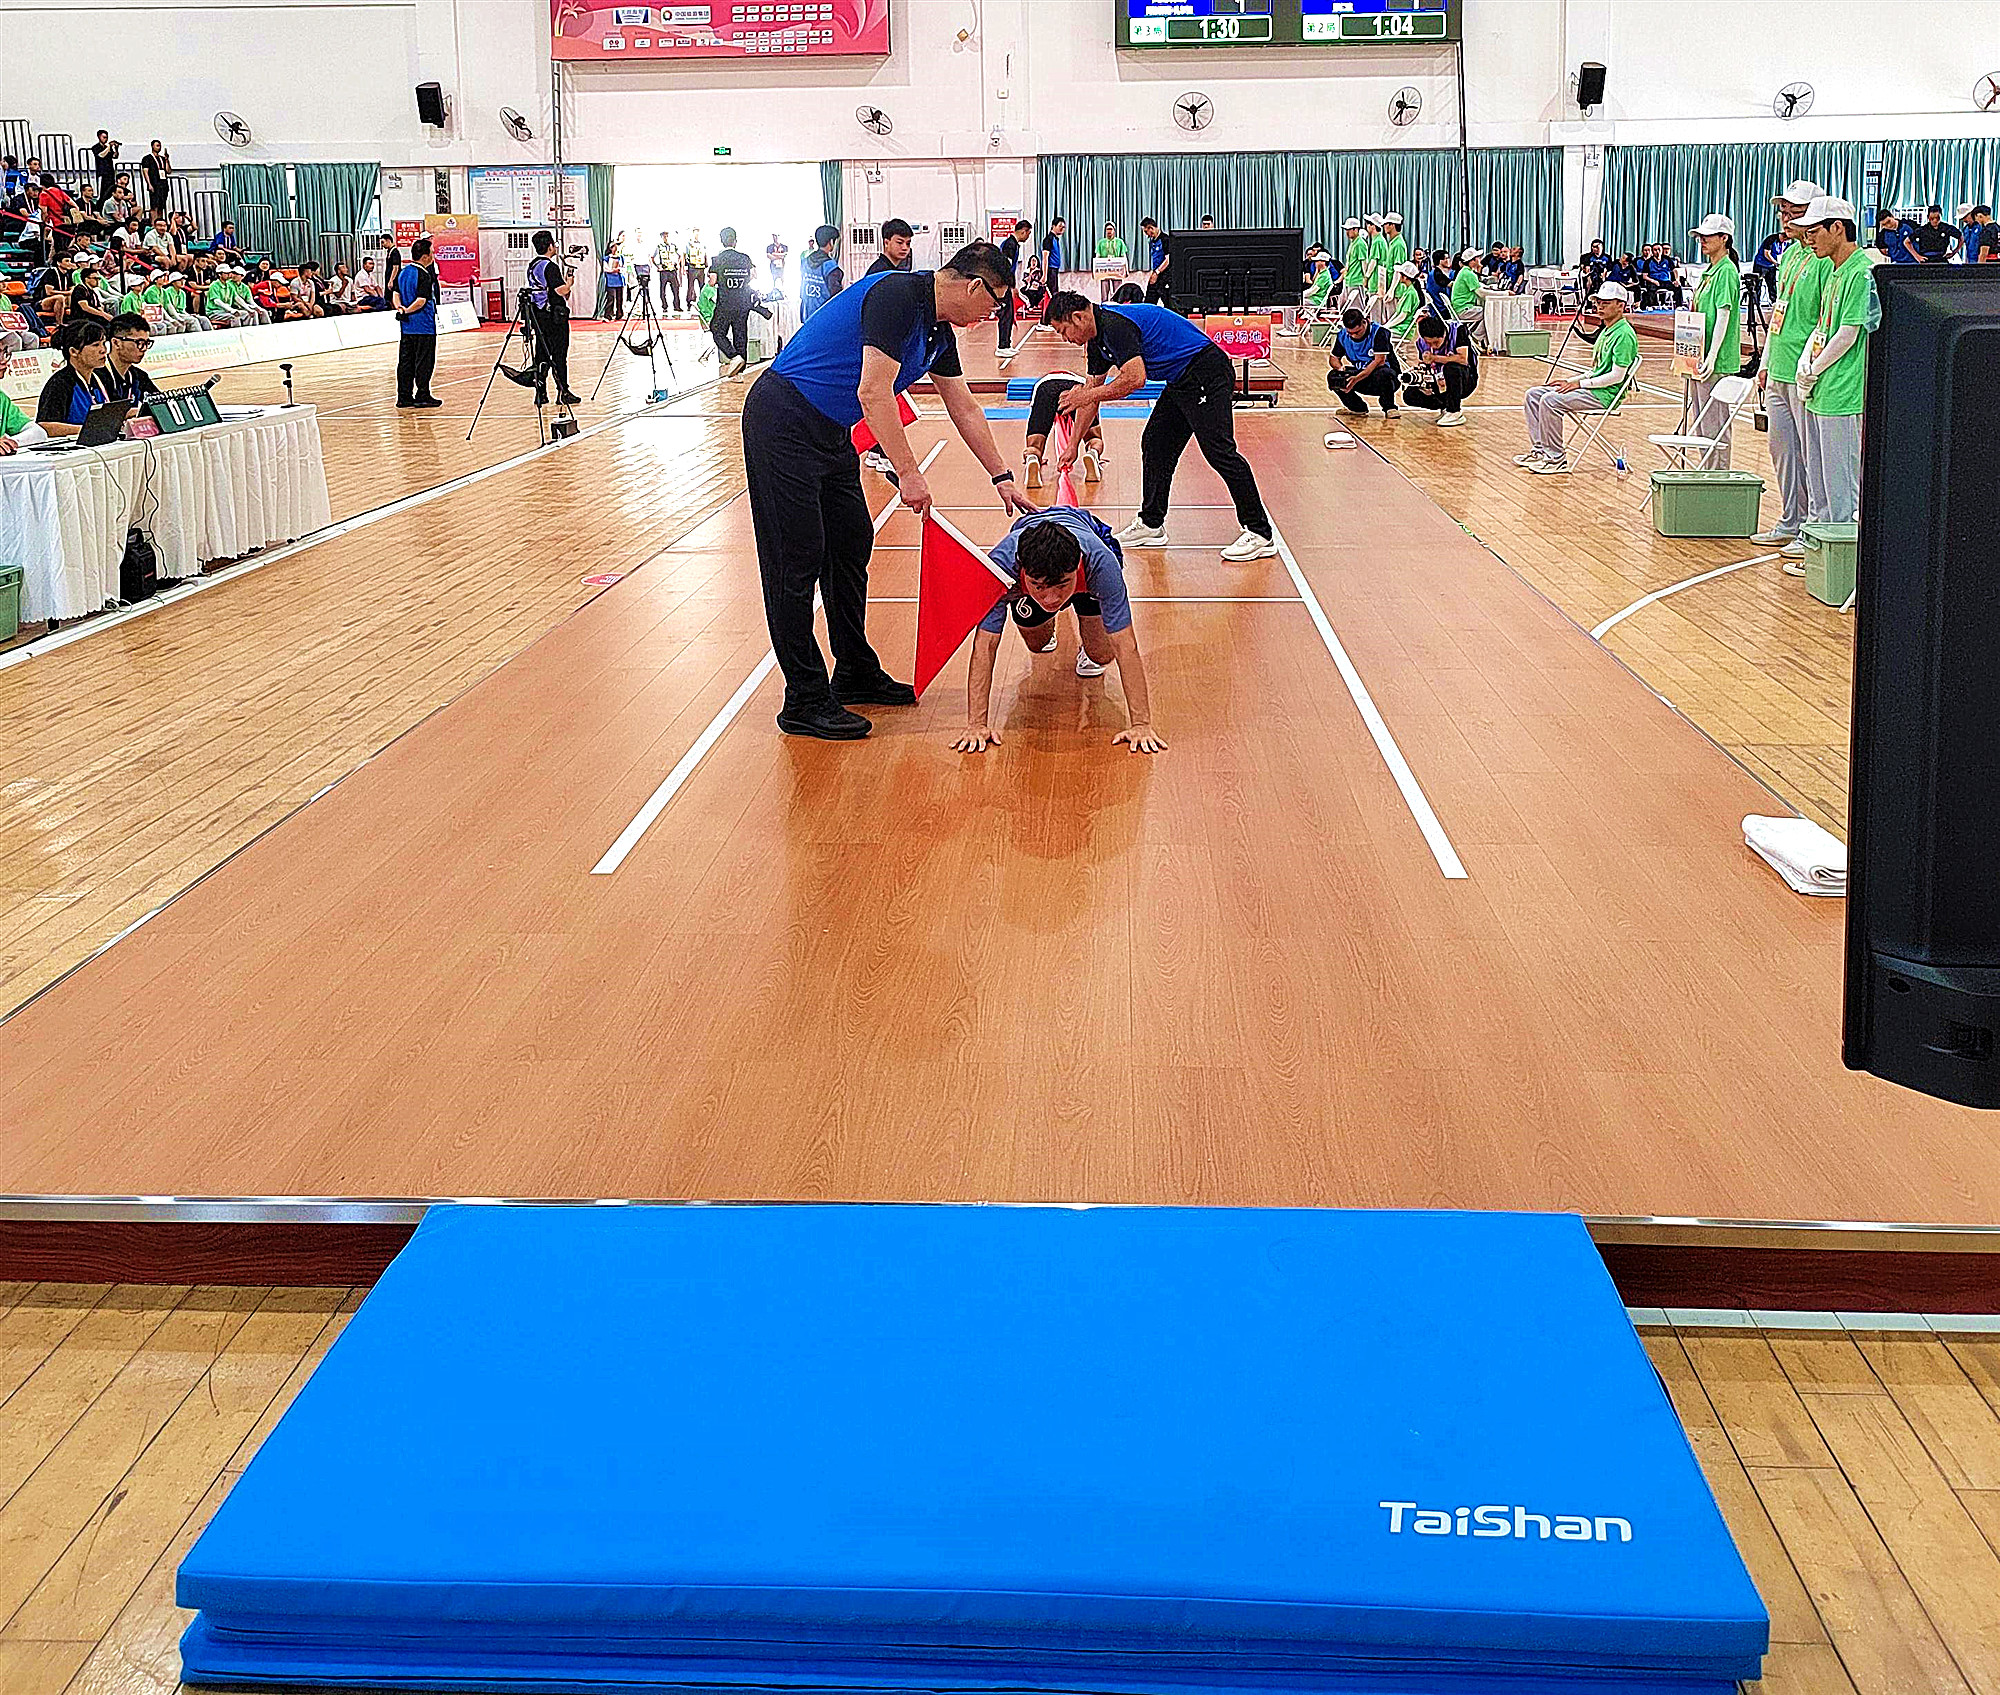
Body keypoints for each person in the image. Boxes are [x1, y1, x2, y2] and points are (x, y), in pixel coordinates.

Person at [743, 239, 1035, 740]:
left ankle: (854, 669)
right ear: (974, 287)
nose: (991, 315)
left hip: (830, 431)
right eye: (994, 303)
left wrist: (1001, 476)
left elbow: (963, 406)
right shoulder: (898, 296)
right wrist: (910, 472)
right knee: (796, 558)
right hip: (783, 420)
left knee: (851, 544)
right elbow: (873, 392)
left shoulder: (938, 332)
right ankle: (804, 698)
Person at [1043, 290, 1274, 561]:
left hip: (1206, 371)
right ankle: (1152, 525)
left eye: (1063, 331)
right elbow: (1091, 395)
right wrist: (1072, 445)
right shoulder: (1096, 342)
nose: (1065, 339)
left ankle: (1260, 532)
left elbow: (1135, 379)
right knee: (1155, 443)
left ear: (1078, 317)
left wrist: (1086, 395)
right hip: (1181, 380)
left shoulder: (1115, 325)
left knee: (1219, 452)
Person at [954, 508, 1163, 755]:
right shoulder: (999, 568)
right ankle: (1047, 615)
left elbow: (1126, 645)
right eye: (1039, 586)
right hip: (1033, 581)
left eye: (1061, 585)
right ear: (1023, 571)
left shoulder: (1101, 564)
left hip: (1087, 580)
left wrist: (1141, 725)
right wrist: (977, 725)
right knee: (1037, 645)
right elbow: (985, 645)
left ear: (1078, 565)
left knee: (1102, 654)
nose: (1052, 598)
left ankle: (1083, 627)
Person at [1754, 180, 1830, 559]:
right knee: (1782, 450)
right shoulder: (1788, 256)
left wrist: (1811, 367)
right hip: (1779, 369)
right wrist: (1765, 362)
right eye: (1783, 211)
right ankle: (1791, 519)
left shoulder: (1824, 262)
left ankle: (1813, 526)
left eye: (1795, 212)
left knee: (1811, 454)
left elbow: (1823, 320)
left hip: (1805, 373)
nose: (1786, 218)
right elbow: (1778, 313)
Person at [1798, 195, 1877, 529]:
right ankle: (1821, 546)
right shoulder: (1833, 272)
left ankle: (1843, 553)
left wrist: (1814, 370)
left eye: (1814, 231)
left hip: (1841, 392)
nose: (1808, 239)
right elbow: (1822, 325)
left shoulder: (1860, 273)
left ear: (1837, 228)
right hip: (1820, 390)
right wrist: (1805, 363)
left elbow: (1848, 333)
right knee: (1820, 482)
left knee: (1842, 486)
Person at [1516, 281, 1638, 473]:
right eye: (1598, 302)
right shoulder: (1606, 331)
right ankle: (1540, 451)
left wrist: (1580, 384)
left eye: (1606, 303)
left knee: (1550, 401)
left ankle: (1556, 458)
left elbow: (1616, 376)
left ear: (1621, 306)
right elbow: (1596, 370)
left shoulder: (1624, 335)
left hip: (1605, 394)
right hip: (1593, 388)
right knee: (1534, 395)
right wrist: (1571, 382)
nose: (1600, 307)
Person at [1688, 213, 1744, 469]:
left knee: (1715, 424)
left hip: (1716, 361)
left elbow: (1724, 314)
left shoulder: (1727, 272)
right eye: (1700, 236)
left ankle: (1718, 475)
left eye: (1708, 236)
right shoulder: (1710, 272)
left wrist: (1712, 356)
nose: (1702, 240)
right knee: (1702, 422)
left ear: (1724, 238)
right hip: (1698, 357)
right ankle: (1707, 472)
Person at [503, 229, 579, 407]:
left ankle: (541, 392)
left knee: (542, 354)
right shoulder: (550, 266)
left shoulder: (533, 265)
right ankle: (563, 391)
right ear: (550, 246)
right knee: (559, 355)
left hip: (538, 315)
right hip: (554, 317)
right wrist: (569, 283)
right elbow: (561, 290)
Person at [1020, 372, 1103, 489]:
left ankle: (1032, 458)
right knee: (1094, 438)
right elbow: (1092, 409)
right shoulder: (1084, 382)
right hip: (1077, 388)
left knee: (1034, 445)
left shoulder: (1042, 383)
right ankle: (1093, 453)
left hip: (1046, 388)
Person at [36, 319, 115, 437]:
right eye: (95, 345)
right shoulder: (60, 384)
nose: (103, 350)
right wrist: (87, 430)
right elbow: (45, 426)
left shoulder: (103, 378)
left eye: (104, 343)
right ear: (73, 351)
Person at [708, 227, 766, 377]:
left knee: (717, 330)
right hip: (742, 302)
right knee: (740, 335)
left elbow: (712, 281)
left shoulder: (717, 259)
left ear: (722, 241)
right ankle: (739, 373)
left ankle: (733, 356)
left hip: (725, 303)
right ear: (735, 241)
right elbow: (754, 275)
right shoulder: (745, 258)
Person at [1402, 313, 1478, 427]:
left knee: (1451, 368)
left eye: (1436, 342)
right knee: (1409, 395)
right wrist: (1423, 380)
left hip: (1464, 379)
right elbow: (1424, 364)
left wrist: (1435, 358)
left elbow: (1463, 359)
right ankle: (1445, 406)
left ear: (1443, 334)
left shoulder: (1458, 331)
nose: (1433, 346)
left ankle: (1454, 411)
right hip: (1438, 381)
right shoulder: (1420, 343)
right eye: (1429, 343)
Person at [393, 237, 441, 408]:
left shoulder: (403, 272)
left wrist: (400, 308)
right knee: (424, 362)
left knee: (406, 362)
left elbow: (396, 293)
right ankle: (422, 394)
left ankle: (404, 396)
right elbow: (421, 301)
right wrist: (407, 310)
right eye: (432, 252)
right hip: (423, 326)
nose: (433, 256)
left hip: (407, 327)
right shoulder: (424, 275)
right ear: (425, 256)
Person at [1327, 308, 1401, 417]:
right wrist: (1340, 369)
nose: (1353, 336)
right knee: (1333, 376)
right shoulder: (1342, 335)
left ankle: (1389, 407)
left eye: (1357, 332)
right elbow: (1333, 358)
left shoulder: (1379, 332)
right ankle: (1357, 407)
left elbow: (1379, 361)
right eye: (1350, 333)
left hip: (1383, 375)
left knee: (1385, 374)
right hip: (1361, 374)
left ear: (1364, 322)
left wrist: (1356, 379)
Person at [100, 312, 161, 408]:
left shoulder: (140, 377)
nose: (144, 348)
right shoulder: (96, 377)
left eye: (147, 343)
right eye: (139, 342)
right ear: (116, 343)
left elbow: (160, 403)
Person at [0, 345, 51, 452]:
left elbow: (38, 433)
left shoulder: (2, 399)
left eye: (4, 353)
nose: (4, 361)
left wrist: (10, 443)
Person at [997, 217, 1032, 348]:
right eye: (1028, 233)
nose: (1028, 237)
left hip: (1007, 283)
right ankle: (1003, 346)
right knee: (1006, 315)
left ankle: (1006, 344)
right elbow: (1006, 267)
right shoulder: (1009, 245)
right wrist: (1011, 286)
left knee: (1009, 314)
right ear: (1023, 231)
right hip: (1003, 284)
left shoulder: (1014, 244)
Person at [798, 225, 843, 322]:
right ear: (831, 242)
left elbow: (801, 292)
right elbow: (836, 298)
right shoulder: (831, 267)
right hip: (825, 319)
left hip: (807, 317)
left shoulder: (805, 262)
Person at [1450, 244, 1488, 348]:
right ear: (1472, 260)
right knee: (1488, 313)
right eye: (1477, 257)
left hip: (1459, 307)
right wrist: (1504, 293)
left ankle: (1474, 335)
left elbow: (1478, 286)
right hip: (1463, 309)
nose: (1479, 259)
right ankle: (1476, 337)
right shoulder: (1468, 274)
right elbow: (1481, 293)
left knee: (1484, 311)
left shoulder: (1465, 271)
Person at [1340, 217, 1371, 315]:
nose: (1347, 232)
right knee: (1349, 308)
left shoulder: (1360, 244)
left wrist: (1365, 279)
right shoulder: (1353, 243)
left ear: (1356, 229)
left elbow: (1364, 263)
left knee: (1357, 309)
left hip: (1357, 280)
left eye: (1349, 230)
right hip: (1349, 279)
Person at [1385, 261, 1423, 339]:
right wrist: (1387, 325)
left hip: (1403, 329)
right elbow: (1397, 314)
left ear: (1405, 277)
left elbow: (1402, 316)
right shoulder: (1408, 291)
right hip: (1400, 327)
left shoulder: (1411, 294)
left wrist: (1387, 326)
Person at [1139, 216, 1169, 305]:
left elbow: (1168, 259)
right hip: (1156, 272)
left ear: (1151, 228)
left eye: (1146, 232)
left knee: (1168, 302)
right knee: (1149, 300)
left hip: (1165, 274)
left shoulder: (1165, 239)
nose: (1146, 234)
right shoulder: (1152, 241)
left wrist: (1157, 272)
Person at [140, 140, 171, 217]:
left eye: (160, 146)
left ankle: (160, 221)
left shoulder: (162, 158)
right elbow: (145, 172)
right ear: (152, 146)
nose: (159, 147)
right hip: (154, 183)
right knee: (154, 205)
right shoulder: (147, 158)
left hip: (163, 184)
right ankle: (153, 222)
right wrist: (149, 184)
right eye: (157, 145)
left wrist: (167, 160)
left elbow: (168, 171)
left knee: (161, 206)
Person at [654, 231, 683, 312]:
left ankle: (677, 306)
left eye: (667, 236)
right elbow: (652, 257)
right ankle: (664, 306)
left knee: (676, 289)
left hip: (672, 270)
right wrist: (658, 266)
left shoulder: (673, 246)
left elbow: (680, 255)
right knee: (663, 290)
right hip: (664, 271)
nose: (666, 238)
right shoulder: (659, 247)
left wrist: (677, 263)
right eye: (664, 236)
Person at [601, 236, 626, 322]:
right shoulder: (607, 258)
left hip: (619, 279)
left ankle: (619, 314)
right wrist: (612, 270)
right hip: (611, 280)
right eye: (614, 247)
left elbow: (624, 267)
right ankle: (608, 315)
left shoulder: (621, 257)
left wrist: (619, 269)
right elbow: (605, 269)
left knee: (620, 298)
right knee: (611, 298)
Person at [90, 130, 120, 202]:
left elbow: (115, 156)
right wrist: (109, 146)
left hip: (110, 172)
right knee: (103, 191)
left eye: (106, 137)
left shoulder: (108, 147)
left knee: (110, 190)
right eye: (104, 137)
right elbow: (101, 155)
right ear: (99, 137)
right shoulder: (96, 147)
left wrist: (116, 148)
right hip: (102, 172)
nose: (105, 139)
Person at [1042, 216, 1068, 293]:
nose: (1062, 229)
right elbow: (1045, 258)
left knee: (1055, 292)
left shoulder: (1055, 239)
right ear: (1053, 226)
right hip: (1050, 270)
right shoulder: (1048, 239)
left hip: (1055, 269)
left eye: (1063, 227)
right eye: (1060, 226)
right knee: (1052, 293)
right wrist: (1044, 275)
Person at [683, 229, 707, 310]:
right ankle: (689, 303)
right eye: (695, 233)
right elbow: (685, 255)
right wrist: (685, 267)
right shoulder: (688, 244)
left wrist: (706, 264)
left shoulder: (702, 244)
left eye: (698, 233)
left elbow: (705, 254)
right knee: (690, 286)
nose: (697, 234)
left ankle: (703, 303)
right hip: (692, 267)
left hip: (701, 268)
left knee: (702, 286)